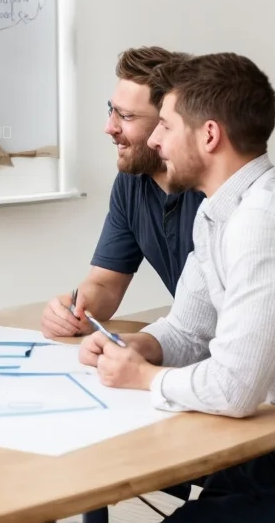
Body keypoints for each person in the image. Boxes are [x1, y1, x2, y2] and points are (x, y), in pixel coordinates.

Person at [78, 52, 275, 522]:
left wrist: (143, 377)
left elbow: (234, 388)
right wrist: (139, 346)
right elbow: (188, 330)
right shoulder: (216, 211)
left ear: (209, 135)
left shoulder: (264, 220)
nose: (154, 140)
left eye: (165, 125)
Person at [41, 47, 205, 339]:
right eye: (111, 110)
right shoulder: (131, 184)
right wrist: (77, 310)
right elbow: (105, 284)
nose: (109, 128)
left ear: (170, 123)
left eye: (126, 116)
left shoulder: (218, 192)